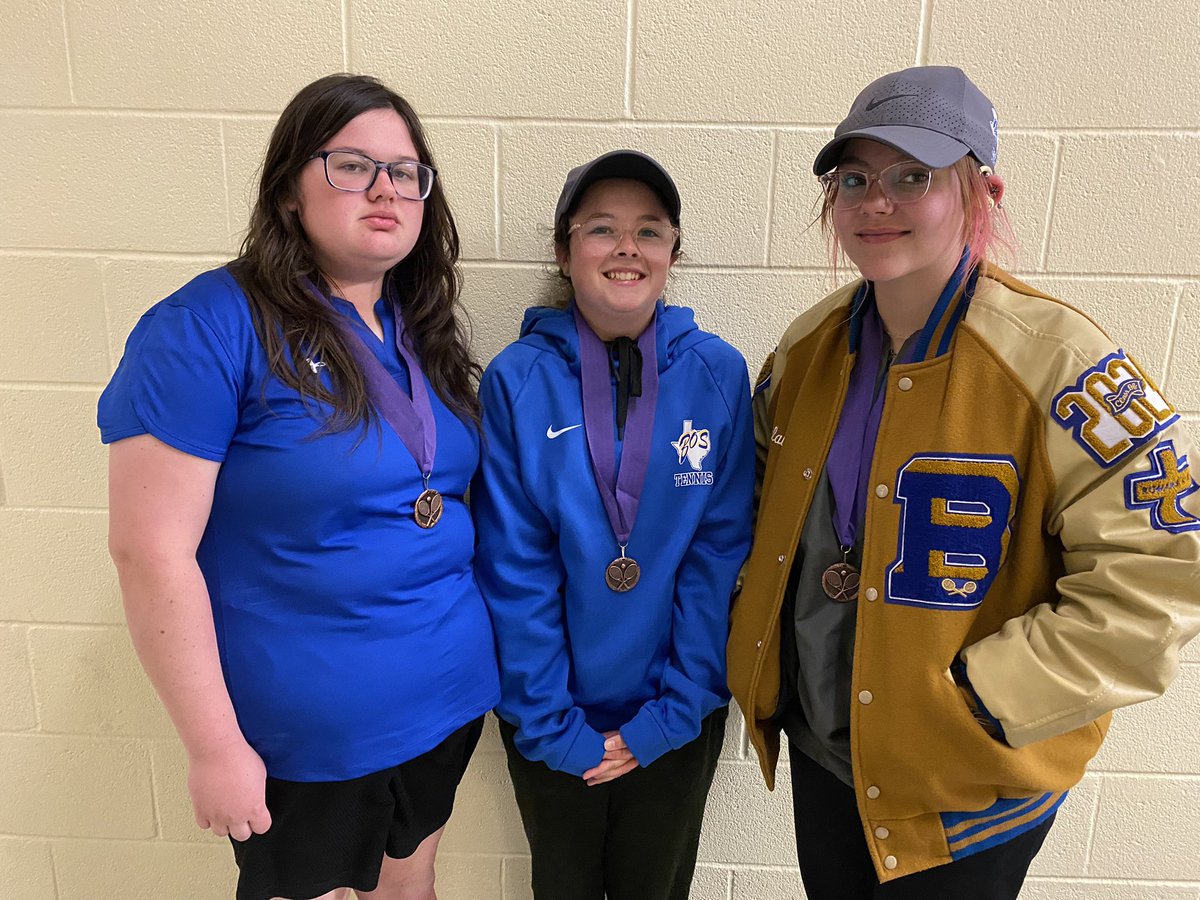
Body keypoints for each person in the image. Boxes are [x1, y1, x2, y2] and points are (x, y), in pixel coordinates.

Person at [728, 65, 1200, 899]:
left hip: (967, 788)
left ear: (983, 191)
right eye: (854, 180)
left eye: (915, 176)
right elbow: (761, 504)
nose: (878, 202)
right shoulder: (806, 351)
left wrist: (977, 701)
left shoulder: (1061, 363)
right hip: (824, 753)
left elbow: (1163, 574)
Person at [99, 74, 499, 900]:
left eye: (407, 171)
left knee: (411, 887)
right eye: (353, 165)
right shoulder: (208, 325)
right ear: (288, 189)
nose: (387, 187)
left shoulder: (416, 325)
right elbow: (148, 551)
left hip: (444, 703)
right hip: (305, 739)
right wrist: (213, 747)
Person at [472, 150, 754, 900]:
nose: (627, 247)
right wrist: (547, 722)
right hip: (551, 720)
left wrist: (674, 712)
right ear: (565, 254)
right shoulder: (516, 378)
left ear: (672, 254)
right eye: (602, 229)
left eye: (649, 231)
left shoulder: (718, 374)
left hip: (675, 719)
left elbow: (720, 554)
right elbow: (511, 565)